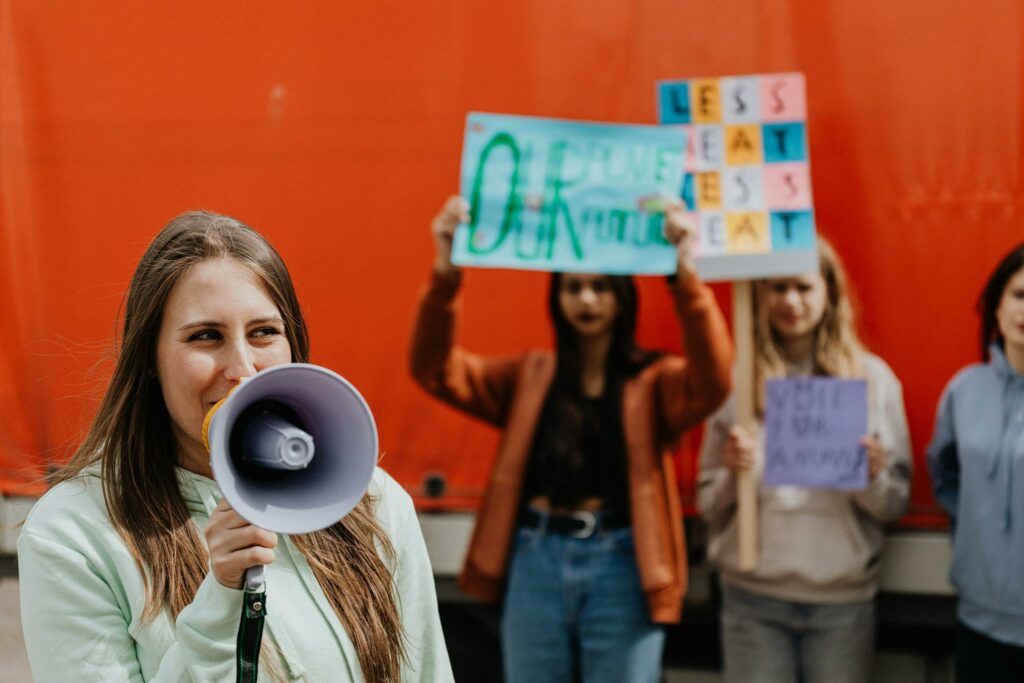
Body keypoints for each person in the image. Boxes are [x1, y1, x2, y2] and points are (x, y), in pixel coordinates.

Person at [18, 211, 454, 682]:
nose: (242, 369)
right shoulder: (74, 534)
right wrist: (219, 602)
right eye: (206, 337)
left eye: (264, 332)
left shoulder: (370, 501)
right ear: (148, 358)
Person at [409, 195, 732, 682]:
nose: (587, 299)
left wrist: (685, 277)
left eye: (601, 287)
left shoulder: (653, 381)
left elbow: (715, 381)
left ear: (622, 296)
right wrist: (446, 271)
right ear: (556, 298)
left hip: (623, 563)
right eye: (573, 287)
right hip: (535, 558)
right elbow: (434, 369)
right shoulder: (530, 376)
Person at [697, 237, 912, 683]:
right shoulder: (739, 383)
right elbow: (707, 505)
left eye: (803, 287)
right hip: (753, 598)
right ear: (760, 294)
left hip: (841, 602)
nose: (790, 301)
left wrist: (871, 476)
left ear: (828, 292)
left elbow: (894, 505)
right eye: (778, 288)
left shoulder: (872, 381)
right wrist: (735, 474)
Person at [927, 241, 1024, 682]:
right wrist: (976, 535)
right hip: (978, 620)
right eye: (1019, 295)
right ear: (997, 307)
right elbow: (945, 476)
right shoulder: (964, 391)